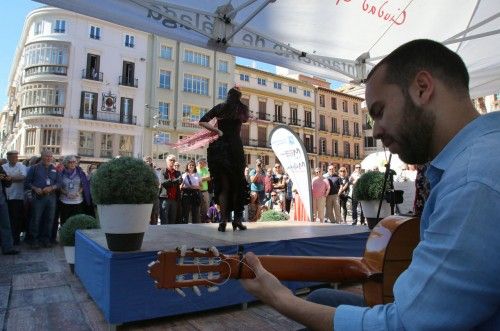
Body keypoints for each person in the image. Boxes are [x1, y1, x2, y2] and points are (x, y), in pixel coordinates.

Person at [240, 39, 500, 330]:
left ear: (422, 88)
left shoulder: (472, 182)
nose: (375, 131)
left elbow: (403, 325)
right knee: (325, 296)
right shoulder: (480, 156)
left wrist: (280, 299)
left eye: (379, 111)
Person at [199, 87, 249, 232]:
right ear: (239, 97)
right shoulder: (242, 109)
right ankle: (237, 220)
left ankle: (223, 221)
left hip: (220, 148)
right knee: (238, 184)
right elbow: (245, 119)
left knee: (223, 186)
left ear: (228, 96)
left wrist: (218, 131)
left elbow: (203, 121)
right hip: (235, 146)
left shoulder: (220, 107)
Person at [24, 149, 61, 249]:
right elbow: (27, 183)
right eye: (46, 156)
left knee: (49, 219)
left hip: (51, 197)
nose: (49, 158)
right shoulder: (34, 168)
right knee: (36, 219)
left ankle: (46, 240)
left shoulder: (55, 169)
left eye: (50, 156)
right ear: (42, 156)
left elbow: (59, 183)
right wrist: (35, 188)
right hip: (38, 197)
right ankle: (34, 240)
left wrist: (51, 187)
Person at [2, 150, 27, 245]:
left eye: (16, 157)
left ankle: (16, 239)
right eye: (12, 157)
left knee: (16, 219)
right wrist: (11, 178)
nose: (15, 158)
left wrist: (9, 178)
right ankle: (6, 239)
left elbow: (22, 177)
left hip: (17, 197)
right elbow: (3, 178)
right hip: (6, 197)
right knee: (6, 219)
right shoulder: (3, 167)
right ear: (8, 158)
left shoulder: (21, 166)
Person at [0, 165, 19, 255]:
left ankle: (8, 248)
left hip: (1, 200)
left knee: (6, 224)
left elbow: (7, 184)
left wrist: (8, 179)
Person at [158, 155, 182, 225]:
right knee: (164, 219)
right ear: (167, 161)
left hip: (174, 199)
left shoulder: (177, 172)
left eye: (174, 160)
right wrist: (175, 181)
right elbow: (163, 182)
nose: (172, 162)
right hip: (165, 198)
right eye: (170, 160)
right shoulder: (163, 171)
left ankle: (171, 235)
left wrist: (170, 181)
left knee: (172, 220)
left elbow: (180, 181)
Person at [179, 160, 201, 224]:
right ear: (187, 166)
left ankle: (195, 228)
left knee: (195, 212)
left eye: (192, 165)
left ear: (194, 166)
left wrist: (194, 187)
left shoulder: (197, 174)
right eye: (190, 165)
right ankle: (184, 227)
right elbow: (180, 187)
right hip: (186, 194)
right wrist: (188, 187)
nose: (191, 166)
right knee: (185, 212)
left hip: (195, 194)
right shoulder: (184, 175)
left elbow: (201, 186)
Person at [197, 158, 211, 223]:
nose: (205, 164)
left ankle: (205, 220)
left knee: (206, 207)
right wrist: (203, 178)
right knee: (198, 207)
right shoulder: (196, 169)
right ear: (199, 162)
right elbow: (194, 179)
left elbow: (209, 177)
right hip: (197, 191)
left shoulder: (206, 169)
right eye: (203, 162)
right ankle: (199, 221)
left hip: (205, 191)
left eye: (205, 163)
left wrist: (200, 179)